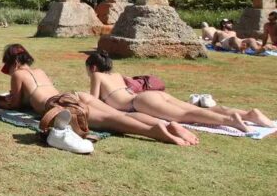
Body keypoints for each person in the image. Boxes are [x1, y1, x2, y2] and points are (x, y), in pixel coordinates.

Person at [0, 43, 198, 146]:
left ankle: (157, 131)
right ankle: (166, 124)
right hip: (73, 95)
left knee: (113, 120)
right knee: (120, 115)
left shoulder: (18, 74)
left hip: (61, 104)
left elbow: (16, 103)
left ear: (12, 62)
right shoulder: (40, 71)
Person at [85, 50, 273, 129]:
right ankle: (249, 114)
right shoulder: (116, 75)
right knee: (194, 109)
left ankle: (230, 120)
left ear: (93, 67)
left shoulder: (96, 75)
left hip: (139, 102)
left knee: (186, 116)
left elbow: (93, 100)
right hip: (153, 95)